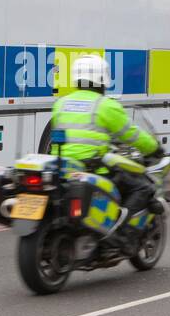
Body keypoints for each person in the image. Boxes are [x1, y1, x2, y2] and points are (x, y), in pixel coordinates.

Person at [49, 54, 160, 232]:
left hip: (63, 168)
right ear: (102, 79)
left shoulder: (60, 103)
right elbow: (131, 134)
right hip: (94, 169)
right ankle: (120, 229)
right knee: (143, 187)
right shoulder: (105, 105)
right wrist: (154, 147)